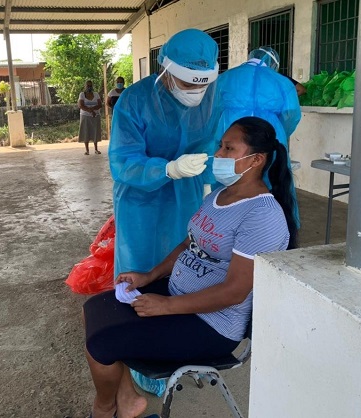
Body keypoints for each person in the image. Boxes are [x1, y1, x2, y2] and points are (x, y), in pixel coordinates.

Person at [84, 117, 299, 418]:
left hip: (212, 325)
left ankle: (105, 409)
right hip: (178, 295)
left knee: (102, 343)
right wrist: (150, 276)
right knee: (97, 308)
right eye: (220, 146)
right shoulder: (219, 196)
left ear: (257, 159)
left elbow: (235, 292)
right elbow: (190, 244)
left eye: (229, 148)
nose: (219, 155)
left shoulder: (262, 215)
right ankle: (128, 399)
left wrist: (167, 306)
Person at [108, 28, 220, 280]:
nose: (195, 91)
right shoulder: (134, 100)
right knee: (139, 262)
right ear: (167, 72)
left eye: (201, 85)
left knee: (183, 256)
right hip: (140, 198)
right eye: (187, 83)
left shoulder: (213, 98)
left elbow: (213, 142)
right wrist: (167, 169)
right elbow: (123, 159)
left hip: (188, 192)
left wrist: (210, 180)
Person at [214, 46, 302, 224]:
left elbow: (211, 110)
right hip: (270, 133)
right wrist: (279, 134)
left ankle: (225, 219)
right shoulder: (281, 81)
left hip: (232, 133)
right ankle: (269, 222)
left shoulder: (226, 77)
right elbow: (292, 114)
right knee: (271, 176)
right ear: (273, 63)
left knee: (229, 175)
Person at [78, 80, 103, 155]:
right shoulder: (82, 95)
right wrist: (90, 111)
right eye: (88, 86)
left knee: (95, 131)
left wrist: (93, 110)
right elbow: (81, 105)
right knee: (86, 132)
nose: (89, 87)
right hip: (85, 116)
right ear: (85, 86)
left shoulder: (96, 94)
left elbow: (100, 104)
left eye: (90, 86)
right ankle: (87, 150)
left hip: (96, 116)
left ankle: (96, 149)